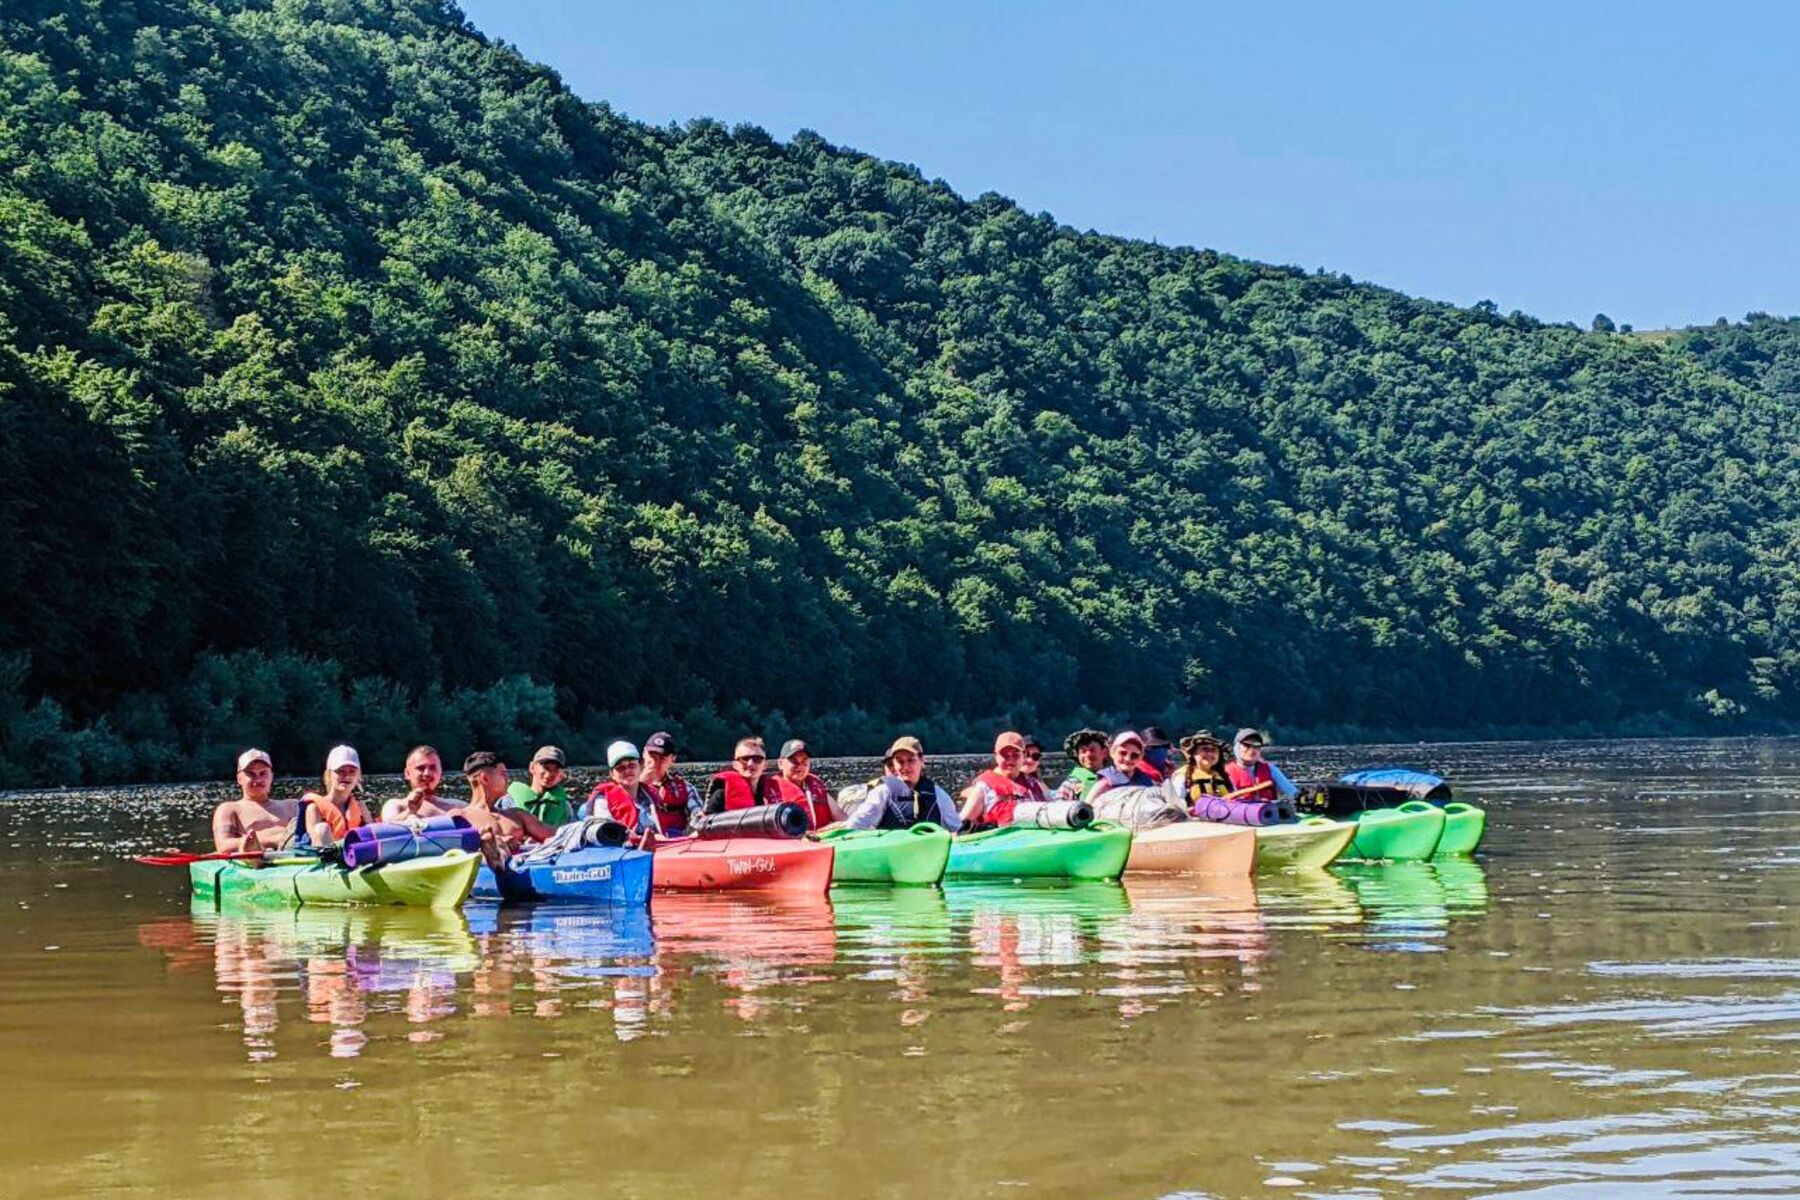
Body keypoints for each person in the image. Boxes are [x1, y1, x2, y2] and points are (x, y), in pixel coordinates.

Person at [843, 736, 961, 831]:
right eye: (900, 761)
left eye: (911, 760)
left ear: (922, 761)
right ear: (894, 764)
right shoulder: (883, 792)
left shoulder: (938, 795)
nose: (905, 767)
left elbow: (957, 829)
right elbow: (857, 824)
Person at [459, 750, 555, 865]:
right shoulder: (461, 816)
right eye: (503, 773)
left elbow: (558, 834)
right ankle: (491, 851)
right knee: (490, 845)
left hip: (519, 869)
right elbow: (449, 849)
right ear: (485, 779)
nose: (508, 778)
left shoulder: (517, 815)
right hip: (483, 870)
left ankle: (496, 853)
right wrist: (493, 842)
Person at [211, 749, 299, 854]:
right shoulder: (229, 809)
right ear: (239, 779)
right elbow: (223, 845)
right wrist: (273, 840)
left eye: (263, 773)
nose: (257, 780)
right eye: (251, 774)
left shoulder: (292, 805)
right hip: (257, 858)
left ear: (271, 776)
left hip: (295, 854)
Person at [959, 731, 1035, 829]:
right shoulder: (984, 787)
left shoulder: (1033, 783)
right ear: (996, 757)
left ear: (1023, 756)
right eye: (1005, 755)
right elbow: (963, 824)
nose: (1010, 760)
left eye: (1015, 755)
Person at [302, 745, 374, 847]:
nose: (347, 776)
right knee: (322, 829)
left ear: (359, 776)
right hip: (325, 857)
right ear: (328, 775)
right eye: (340, 771)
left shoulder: (361, 807)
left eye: (352, 771)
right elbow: (313, 840)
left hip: (354, 856)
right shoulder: (314, 808)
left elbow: (374, 835)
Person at [584, 740, 656, 833]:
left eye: (632, 765)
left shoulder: (652, 796)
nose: (627, 770)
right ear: (612, 774)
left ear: (641, 767)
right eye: (620, 768)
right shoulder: (603, 800)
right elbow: (606, 834)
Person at [641, 730, 702, 836]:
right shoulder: (629, 789)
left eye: (662, 759)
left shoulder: (686, 788)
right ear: (644, 754)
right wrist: (639, 784)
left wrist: (697, 828)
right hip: (645, 842)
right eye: (652, 757)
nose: (656, 763)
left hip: (675, 844)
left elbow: (698, 815)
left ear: (672, 759)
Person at [381, 745, 462, 823]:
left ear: (440, 773)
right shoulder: (395, 805)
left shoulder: (457, 805)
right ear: (407, 774)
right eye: (421, 768)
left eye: (433, 768)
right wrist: (410, 812)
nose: (427, 773)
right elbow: (387, 829)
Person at [772, 738, 840, 829]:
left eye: (804, 761)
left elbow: (840, 816)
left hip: (822, 837)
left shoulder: (816, 787)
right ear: (780, 764)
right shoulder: (771, 790)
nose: (799, 766)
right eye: (794, 761)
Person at [703, 736, 782, 813]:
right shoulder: (721, 795)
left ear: (765, 765)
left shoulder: (775, 793)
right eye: (744, 759)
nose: (750, 764)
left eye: (757, 759)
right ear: (735, 765)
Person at [504, 745, 574, 826]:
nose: (549, 774)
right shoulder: (509, 801)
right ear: (532, 767)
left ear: (562, 775)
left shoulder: (566, 808)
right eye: (546, 768)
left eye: (556, 770)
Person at [1225, 728, 1298, 801]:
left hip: (1268, 810)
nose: (1252, 749)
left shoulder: (1271, 769)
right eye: (1246, 745)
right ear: (1236, 748)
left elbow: (1293, 793)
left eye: (1256, 745)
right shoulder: (1224, 772)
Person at [1166, 730, 1233, 808]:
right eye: (1205, 749)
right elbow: (1176, 805)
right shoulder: (1182, 775)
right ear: (1193, 753)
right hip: (1192, 819)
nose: (1210, 754)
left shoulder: (1223, 776)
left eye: (1214, 750)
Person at [1086, 731, 1161, 797]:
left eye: (1134, 755)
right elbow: (1085, 808)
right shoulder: (1105, 784)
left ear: (1141, 758)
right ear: (1112, 753)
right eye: (1122, 753)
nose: (1128, 758)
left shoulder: (1147, 782)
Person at [1053, 728, 1110, 803]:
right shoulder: (1070, 784)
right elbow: (1058, 808)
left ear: (1105, 752)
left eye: (1092, 750)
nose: (1088, 755)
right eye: (1083, 751)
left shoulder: (1115, 780)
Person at [1020, 736, 1052, 802]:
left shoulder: (1039, 784)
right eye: (1025, 755)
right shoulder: (1008, 784)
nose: (1030, 760)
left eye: (1035, 756)